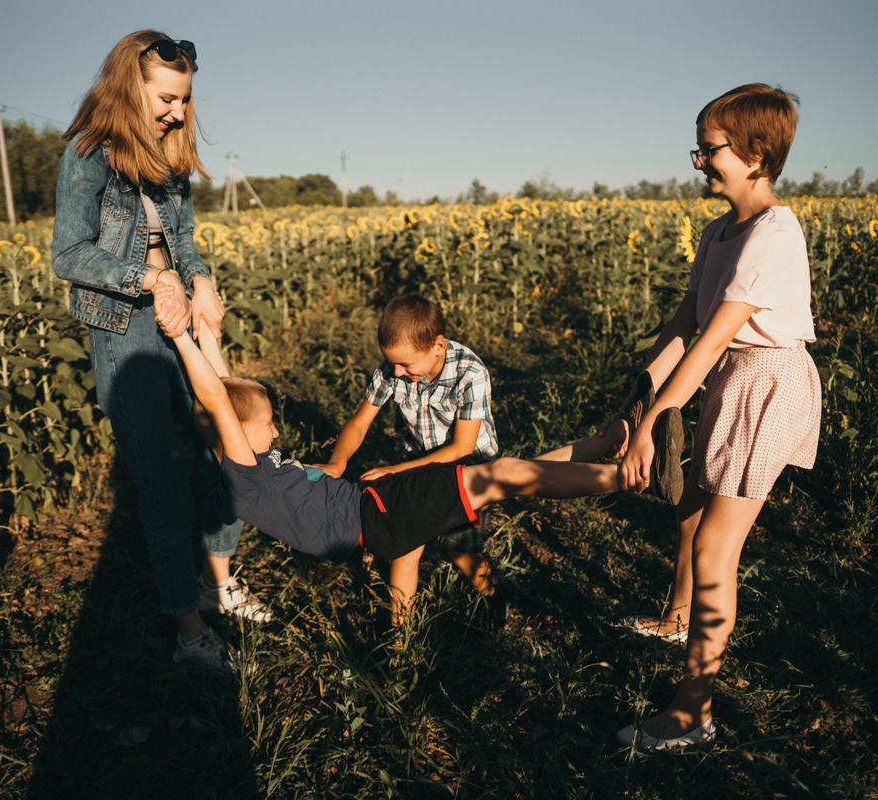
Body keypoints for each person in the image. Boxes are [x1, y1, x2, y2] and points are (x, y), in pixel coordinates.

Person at [52, 30, 270, 675]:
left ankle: (216, 580)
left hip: (183, 324)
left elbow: (186, 243)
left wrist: (200, 280)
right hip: (126, 329)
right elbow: (69, 255)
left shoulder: (169, 157)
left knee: (237, 448)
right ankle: (188, 626)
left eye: (184, 99)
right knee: (164, 484)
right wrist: (151, 279)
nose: (177, 112)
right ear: (129, 86)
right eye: (166, 99)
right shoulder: (87, 155)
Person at [612, 84, 821, 749]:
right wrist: (643, 387)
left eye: (710, 149)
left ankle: (693, 710)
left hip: (764, 387)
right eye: (698, 148)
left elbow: (714, 339)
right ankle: (679, 618)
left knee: (715, 546)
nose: (698, 162)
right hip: (729, 380)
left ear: (757, 153)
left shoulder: (773, 232)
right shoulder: (717, 231)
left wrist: (656, 421)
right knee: (689, 510)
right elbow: (687, 323)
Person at [159, 314, 628, 610]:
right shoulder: (246, 477)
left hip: (379, 502)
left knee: (506, 478)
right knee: (508, 476)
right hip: (373, 511)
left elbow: (223, 399)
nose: (278, 432)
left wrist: (207, 335)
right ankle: (629, 474)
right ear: (238, 435)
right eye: (268, 425)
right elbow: (219, 401)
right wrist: (180, 336)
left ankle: (401, 645)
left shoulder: (240, 462)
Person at [315, 295, 501, 624]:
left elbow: (461, 448)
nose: (397, 372)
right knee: (404, 548)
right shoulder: (393, 369)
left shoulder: (470, 373)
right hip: (420, 465)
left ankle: (493, 605)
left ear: (438, 346)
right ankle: (400, 637)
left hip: (470, 471)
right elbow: (359, 423)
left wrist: (394, 472)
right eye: (393, 364)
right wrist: (337, 463)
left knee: (462, 551)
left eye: (406, 365)